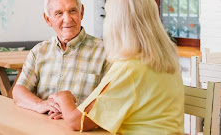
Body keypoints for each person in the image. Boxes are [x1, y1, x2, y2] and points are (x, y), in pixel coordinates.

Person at [49, 0, 184, 134]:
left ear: (117, 24)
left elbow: (77, 121)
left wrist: (63, 97)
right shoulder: (165, 61)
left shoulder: (129, 68)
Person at [12, 0, 109, 119]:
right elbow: (18, 91)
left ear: (81, 12)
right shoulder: (39, 51)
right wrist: (41, 104)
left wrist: (71, 113)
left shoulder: (106, 52)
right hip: (42, 126)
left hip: (83, 128)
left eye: (72, 11)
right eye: (59, 13)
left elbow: (112, 101)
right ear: (47, 19)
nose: (67, 19)